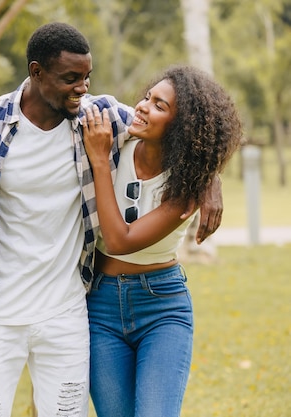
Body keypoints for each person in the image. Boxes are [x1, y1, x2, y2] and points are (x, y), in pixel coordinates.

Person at [0, 22, 221, 417]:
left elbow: (189, 130)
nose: (82, 88)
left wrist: (212, 178)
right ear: (36, 72)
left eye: (86, 78)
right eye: (70, 79)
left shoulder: (101, 117)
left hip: (67, 316)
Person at [80, 65, 243, 417]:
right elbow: (70, 98)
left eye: (159, 105)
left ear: (182, 127)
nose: (141, 106)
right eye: (146, 97)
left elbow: (119, 240)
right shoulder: (118, 144)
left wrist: (97, 160)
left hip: (162, 308)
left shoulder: (184, 188)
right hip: (101, 306)